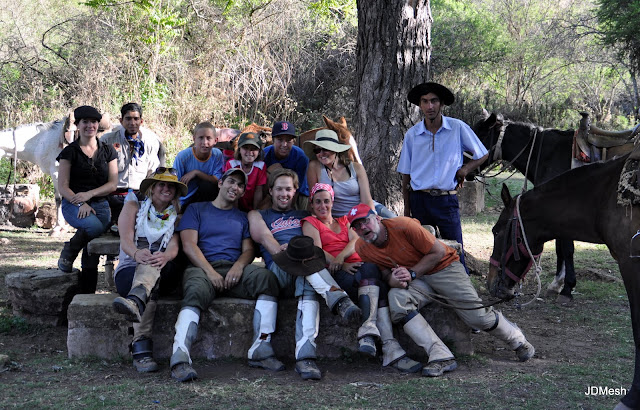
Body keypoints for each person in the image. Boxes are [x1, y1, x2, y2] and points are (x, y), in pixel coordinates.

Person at [347, 203, 536, 377]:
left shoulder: (403, 225)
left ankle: (516, 339)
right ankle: (440, 354)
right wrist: (394, 280)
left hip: (444, 268)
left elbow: (438, 252)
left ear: (377, 218)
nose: (363, 228)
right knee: (397, 299)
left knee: (477, 318)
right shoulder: (362, 247)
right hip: (417, 279)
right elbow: (385, 273)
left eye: (366, 221)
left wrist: (412, 273)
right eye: (357, 226)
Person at [169, 168, 282, 382]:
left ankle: (261, 348)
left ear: (242, 192)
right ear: (220, 183)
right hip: (202, 268)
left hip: (232, 269)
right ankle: (180, 356)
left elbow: (248, 249)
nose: (235, 187)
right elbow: (189, 245)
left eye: (240, 185)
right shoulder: (196, 209)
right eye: (231, 181)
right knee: (195, 290)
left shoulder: (242, 217)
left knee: (266, 279)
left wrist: (238, 266)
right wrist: (210, 272)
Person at [248, 168, 361, 380]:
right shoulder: (258, 215)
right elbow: (263, 237)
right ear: (270, 191)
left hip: (306, 271)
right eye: (279, 189)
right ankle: (338, 299)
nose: (284, 194)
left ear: (295, 191)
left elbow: (321, 242)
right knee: (301, 254)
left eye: (288, 189)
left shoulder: (306, 217)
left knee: (307, 278)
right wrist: (284, 251)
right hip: (279, 269)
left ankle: (305, 358)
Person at [301, 183, 422, 373]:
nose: (322, 206)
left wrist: (342, 257)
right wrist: (341, 264)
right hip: (338, 273)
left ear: (332, 202)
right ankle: (388, 346)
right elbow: (317, 250)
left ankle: (369, 332)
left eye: (326, 201)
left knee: (374, 274)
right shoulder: (311, 222)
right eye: (318, 202)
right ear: (311, 204)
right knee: (375, 277)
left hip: (362, 269)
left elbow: (356, 240)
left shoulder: (344, 220)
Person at [398, 82, 489, 272]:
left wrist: (465, 169)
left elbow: (482, 154)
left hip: (446, 200)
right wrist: (407, 211)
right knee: (422, 250)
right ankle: (428, 285)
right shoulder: (413, 135)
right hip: (419, 200)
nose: (429, 106)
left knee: (455, 249)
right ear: (420, 105)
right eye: (425, 101)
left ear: (441, 104)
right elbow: (406, 175)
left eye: (434, 101)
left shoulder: (457, 128)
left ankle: (462, 287)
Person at [111, 167, 187, 372]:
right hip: (129, 269)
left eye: (171, 186)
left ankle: (140, 345)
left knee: (152, 264)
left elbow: (174, 245)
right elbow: (126, 240)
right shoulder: (133, 207)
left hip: (164, 270)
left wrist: (165, 256)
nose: (166, 189)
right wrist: (136, 254)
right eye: (161, 184)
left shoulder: (176, 216)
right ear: (152, 188)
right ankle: (138, 301)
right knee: (149, 279)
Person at [56, 105, 118, 293]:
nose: (89, 126)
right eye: (85, 122)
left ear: (98, 125)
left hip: (100, 204)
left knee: (92, 244)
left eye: (93, 122)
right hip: (73, 203)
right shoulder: (69, 152)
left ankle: (87, 290)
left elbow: (112, 184)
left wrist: (89, 195)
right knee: (94, 228)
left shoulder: (108, 151)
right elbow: (63, 186)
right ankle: (70, 250)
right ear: (78, 124)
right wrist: (81, 202)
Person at [100, 103, 162, 223]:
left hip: (139, 196)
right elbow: (100, 171)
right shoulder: (107, 140)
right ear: (121, 121)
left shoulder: (150, 142)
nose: (132, 123)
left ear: (141, 121)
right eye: (128, 119)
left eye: (136, 119)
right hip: (114, 196)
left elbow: (153, 172)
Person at [173, 122, 224, 208]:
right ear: (194, 139)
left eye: (208, 138)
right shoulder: (182, 157)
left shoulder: (217, 155)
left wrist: (196, 173)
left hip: (206, 197)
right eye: (201, 138)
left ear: (215, 140)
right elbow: (175, 183)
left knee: (208, 185)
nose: (205, 142)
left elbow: (216, 180)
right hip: (184, 200)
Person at [263, 121, 309, 210]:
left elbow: (298, 187)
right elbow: (260, 185)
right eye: (280, 140)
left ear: (293, 142)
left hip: (297, 194)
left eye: (288, 141)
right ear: (273, 140)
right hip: (271, 191)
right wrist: (268, 173)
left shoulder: (300, 157)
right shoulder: (264, 154)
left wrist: (289, 210)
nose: (284, 145)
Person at [223, 132, 267, 212]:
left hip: (251, 204)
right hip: (234, 203)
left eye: (253, 149)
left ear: (259, 151)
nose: (249, 152)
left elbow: (258, 190)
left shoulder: (260, 166)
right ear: (239, 149)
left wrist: (255, 211)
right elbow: (232, 189)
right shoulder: (232, 164)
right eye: (245, 148)